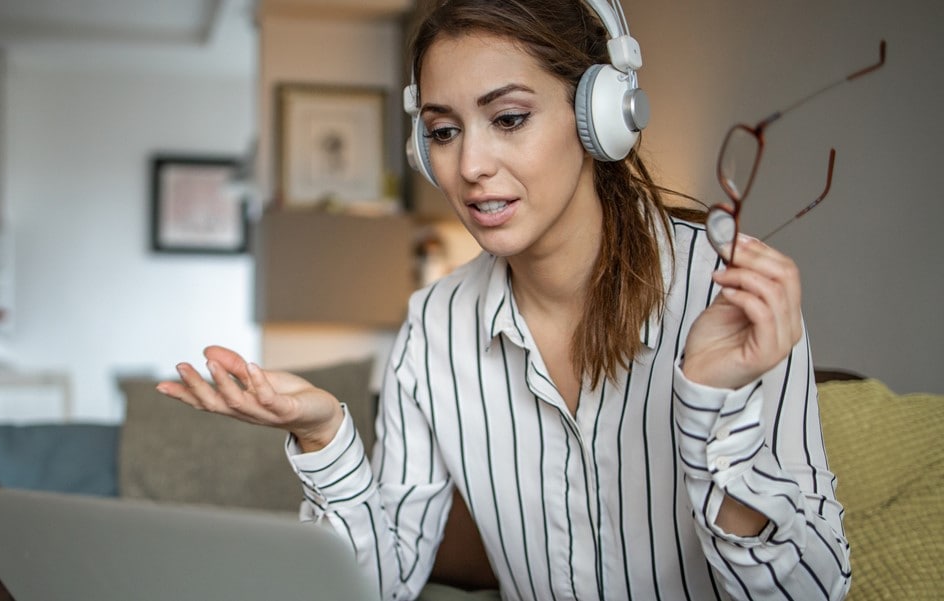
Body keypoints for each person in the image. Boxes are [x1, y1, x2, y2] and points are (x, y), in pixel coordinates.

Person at [157, 0, 850, 599]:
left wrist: (712, 410)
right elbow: (382, 583)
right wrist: (323, 435)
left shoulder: (727, 292)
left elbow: (815, 592)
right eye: (444, 131)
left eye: (509, 118)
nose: (470, 166)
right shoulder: (435, 326)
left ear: (600, 115)